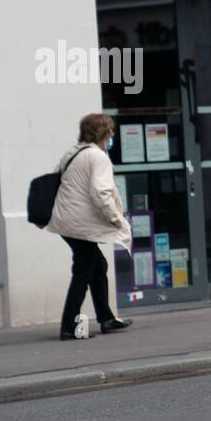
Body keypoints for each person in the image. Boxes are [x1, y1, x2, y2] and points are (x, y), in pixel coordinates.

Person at [46, 113, 134, 339]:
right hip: (78, 224)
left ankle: (106, 318)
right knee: (83, 272)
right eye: (111, 130)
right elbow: (100, 192)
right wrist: (117, 219)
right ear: (103, 133)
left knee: (98, 265)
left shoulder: (73, 152)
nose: (113, 134)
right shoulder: (98, 157)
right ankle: (69, 327)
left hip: (65, 221)